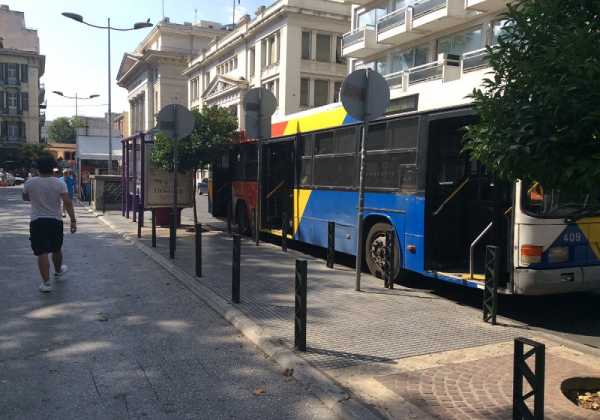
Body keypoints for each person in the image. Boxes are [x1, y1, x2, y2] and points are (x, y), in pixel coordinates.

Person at [23, 156, 77, 293]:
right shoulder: (59, 183)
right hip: (55, 220)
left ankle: (46, 283)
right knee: (56, 248)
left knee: (41, 252)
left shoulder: (30, 182)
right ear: (53, 168)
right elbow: (67, 202)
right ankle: (58, 271)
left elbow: (25, 197)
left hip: (37, 221)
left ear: (37, 168)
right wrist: (73, 220)